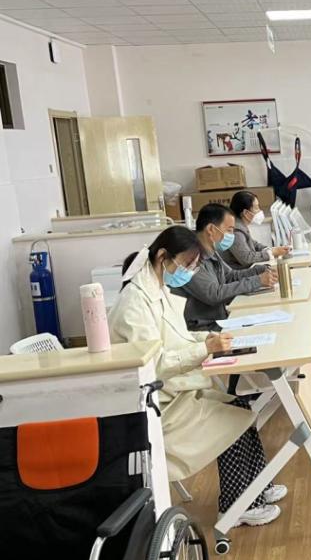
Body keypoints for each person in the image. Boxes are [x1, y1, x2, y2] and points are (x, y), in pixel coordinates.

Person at [108, 226, 286, 527]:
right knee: (233, 421)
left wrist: (208, 339)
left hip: (175, 391)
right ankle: (236, 506)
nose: (189, 272)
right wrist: (204, 348)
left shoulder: (157, 289)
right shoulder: (134, 304)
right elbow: (154, 364)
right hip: (157, 406)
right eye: (187, 264)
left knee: (241, 406)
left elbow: (177, 337)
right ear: (163, 257)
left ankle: (257, 486)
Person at [174, 203, 278, 331]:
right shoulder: (189, 256)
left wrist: (261, 270)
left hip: (221, 320)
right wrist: (257, 281)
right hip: (204, 328)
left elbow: (230, 276)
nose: (232, 235)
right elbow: (214, 295)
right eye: (229, 230)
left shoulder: (210, 249)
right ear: (211, 229)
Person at [223, 190, 290, 269]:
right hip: (239, 273)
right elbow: (246, 259)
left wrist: (271, 249)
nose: (260, 211)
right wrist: (271, 253)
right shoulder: (235, 230)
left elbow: (253, 244)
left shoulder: (240, 225)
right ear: (246, 213)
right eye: (256, 207)